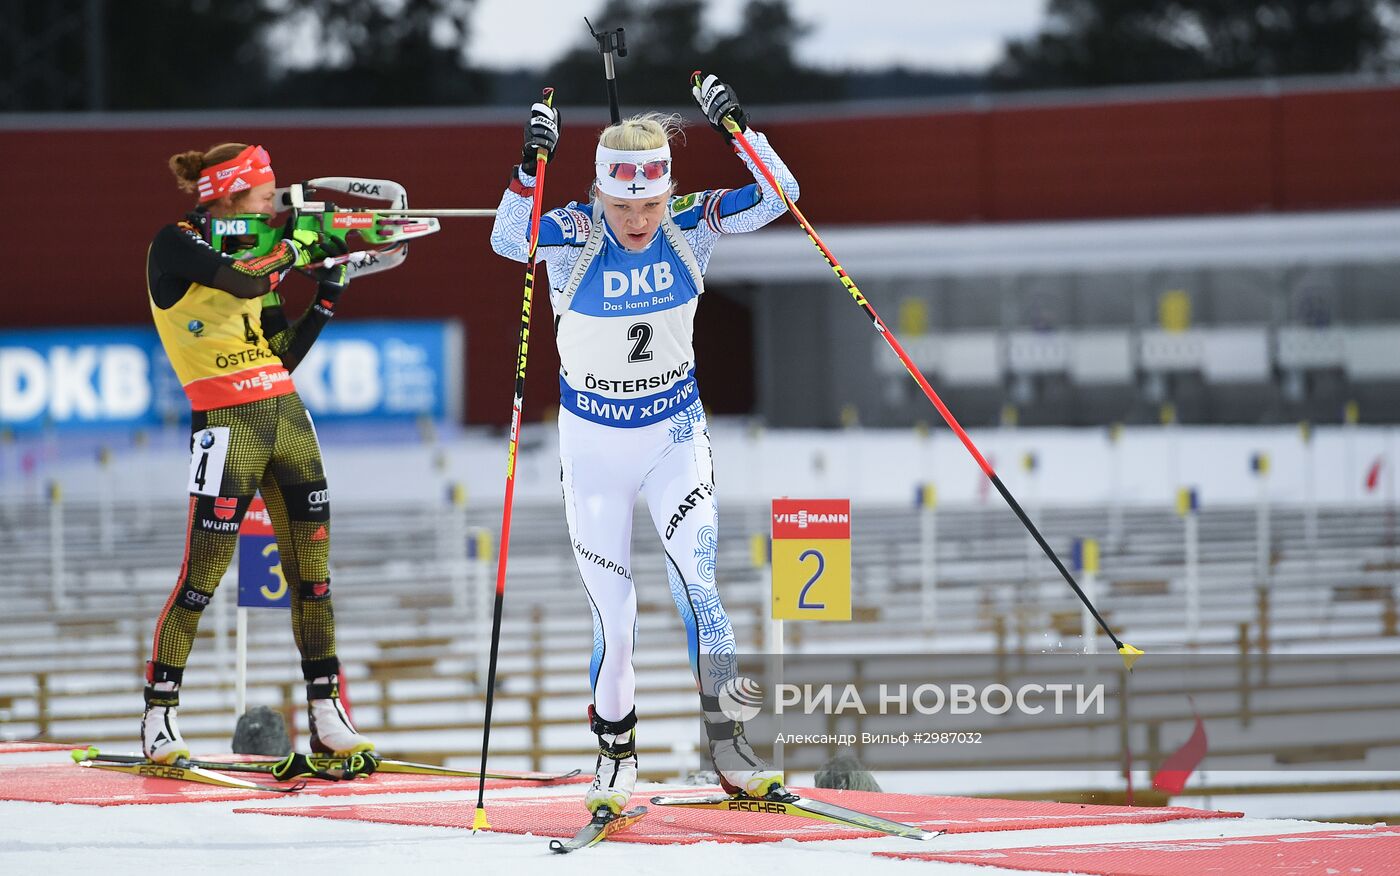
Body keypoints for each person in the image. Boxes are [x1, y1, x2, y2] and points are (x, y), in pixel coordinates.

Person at [490, 74, 799, 813]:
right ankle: (616, 754)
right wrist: (528, 166)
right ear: (600, 193)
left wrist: (737, 129)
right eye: (624, 204)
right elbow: (508, 239)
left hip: (674, 438)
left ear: (670, 193)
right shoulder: (574, 233)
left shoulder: (691, 223)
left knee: (702, 592)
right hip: (593, 450)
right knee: (616, 617)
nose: (637, 220)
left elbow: (777, 196)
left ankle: (729, 747)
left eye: (650, 205)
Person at [142, 142, 372, 763]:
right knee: (203, 577)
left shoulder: (254, 251)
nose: (272, 204)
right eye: (264, 196)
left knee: (313, 580)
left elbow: (283, 355)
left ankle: (327, 713)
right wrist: (297, 246)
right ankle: (159, 716)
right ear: (230, 195)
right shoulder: (177, 242)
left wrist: (327, 289)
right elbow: (248, 277)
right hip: (224, 420)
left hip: (285, 414)